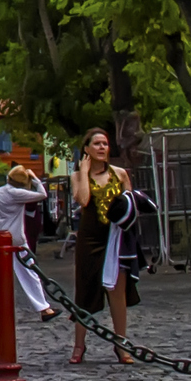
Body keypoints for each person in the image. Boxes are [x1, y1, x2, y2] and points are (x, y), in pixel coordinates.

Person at [69, 128, 139, 364]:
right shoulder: (77, 176)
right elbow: (84, 200)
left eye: (105, 144)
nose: (102, 148)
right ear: (86, 149)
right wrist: (84, 171)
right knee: (84, 291)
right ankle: (79, 345)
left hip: (115, 238)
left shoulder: (120, 174)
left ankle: (121, 345)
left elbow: (130, 205)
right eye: (97, 144)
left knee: (117, 292)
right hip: (90, 240)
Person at [0, 164, 57, 322]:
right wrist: (35, 179)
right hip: (16, 238)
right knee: (29, 273)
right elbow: (42, 194)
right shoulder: (16, 193)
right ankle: (43, 308)